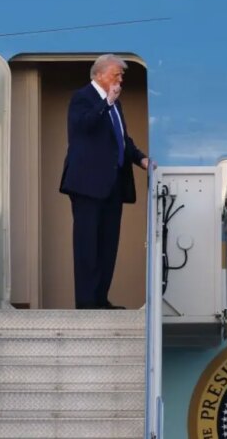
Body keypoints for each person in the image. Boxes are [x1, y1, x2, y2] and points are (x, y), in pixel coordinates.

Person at [59, 54, 151, 309]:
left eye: (121, 75)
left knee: (108, 245)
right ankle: (86, 303)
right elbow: (83, 126)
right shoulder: (82, 98)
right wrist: (106, 104)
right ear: (99, 74)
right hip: (87, 185)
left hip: (113, 186)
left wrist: (142, 159)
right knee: (87, 245)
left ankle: (100, 299)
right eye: (116, 74)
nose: (120, 79)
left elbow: (123, 140)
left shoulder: (115, 105)